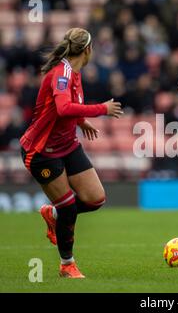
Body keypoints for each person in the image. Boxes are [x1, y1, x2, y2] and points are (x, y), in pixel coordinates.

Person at [20, 28, 123, 278]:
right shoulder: (63, 73)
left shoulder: (74, 72)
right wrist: (101, 109)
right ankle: (67, 265)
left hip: (67, 145)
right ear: (87, 50)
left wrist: (80, 121)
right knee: (68, 207)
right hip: (41, 151)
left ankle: (51, 212)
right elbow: (63, 107)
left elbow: (62, 110)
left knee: (95, 198)